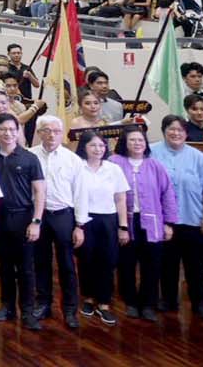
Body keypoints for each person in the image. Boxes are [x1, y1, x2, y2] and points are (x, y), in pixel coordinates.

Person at [154, 114, 203, 319]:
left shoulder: (197, 156)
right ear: (164, 131)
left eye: (180, 130)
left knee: (195, 265)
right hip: (164, 221)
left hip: (192, 219)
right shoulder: (152, 152)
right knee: (167, 263)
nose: (176, 133)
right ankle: (168, 300)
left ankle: (199, 303)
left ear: (186, 133)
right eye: (171, 129)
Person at [0, 112, 46, 330]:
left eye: (12, 129)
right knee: (5, 265)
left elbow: (39, 191)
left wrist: (36, 221)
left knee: (26, 267)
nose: (8, 133)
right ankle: (7, 307)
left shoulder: (29, 158)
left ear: (18, 131)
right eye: (3, 129)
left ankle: (27, 312)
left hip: (23, 217)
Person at [112, 124, 176, 319]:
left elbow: (168, 194)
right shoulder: (114, 163)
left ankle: (148, 304)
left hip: (152, 222)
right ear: (124, 142)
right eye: (132, 140)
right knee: (126, 263)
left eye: (140, 140)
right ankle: (130, 302)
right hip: (124, 222)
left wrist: (169, 223)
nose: (137, 143)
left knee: (152, 264)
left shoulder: (155, 165)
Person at [30, 113, 84, 329]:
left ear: (62, 134)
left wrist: (79, 225)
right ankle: (43, 303)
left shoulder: (73, 159)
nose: (52, 135)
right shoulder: (30, 156)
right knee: (40, 262)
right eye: (47, 131)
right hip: (38, 216)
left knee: (67, 264)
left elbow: (80, 194)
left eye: (56, 131)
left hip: (64, 215)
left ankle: (70, 309)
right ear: (39, 133)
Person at [74, 129, 129, 325]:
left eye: (101, 145)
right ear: (84, 147)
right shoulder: (77, 167)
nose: (98, 149)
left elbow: (120, 199)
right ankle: (88, 298)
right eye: (93, 145)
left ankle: (104, 303)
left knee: (107, 260)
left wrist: (123, 226)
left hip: (108, 219)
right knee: (86, 259)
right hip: (84, 219)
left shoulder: (113, 168)